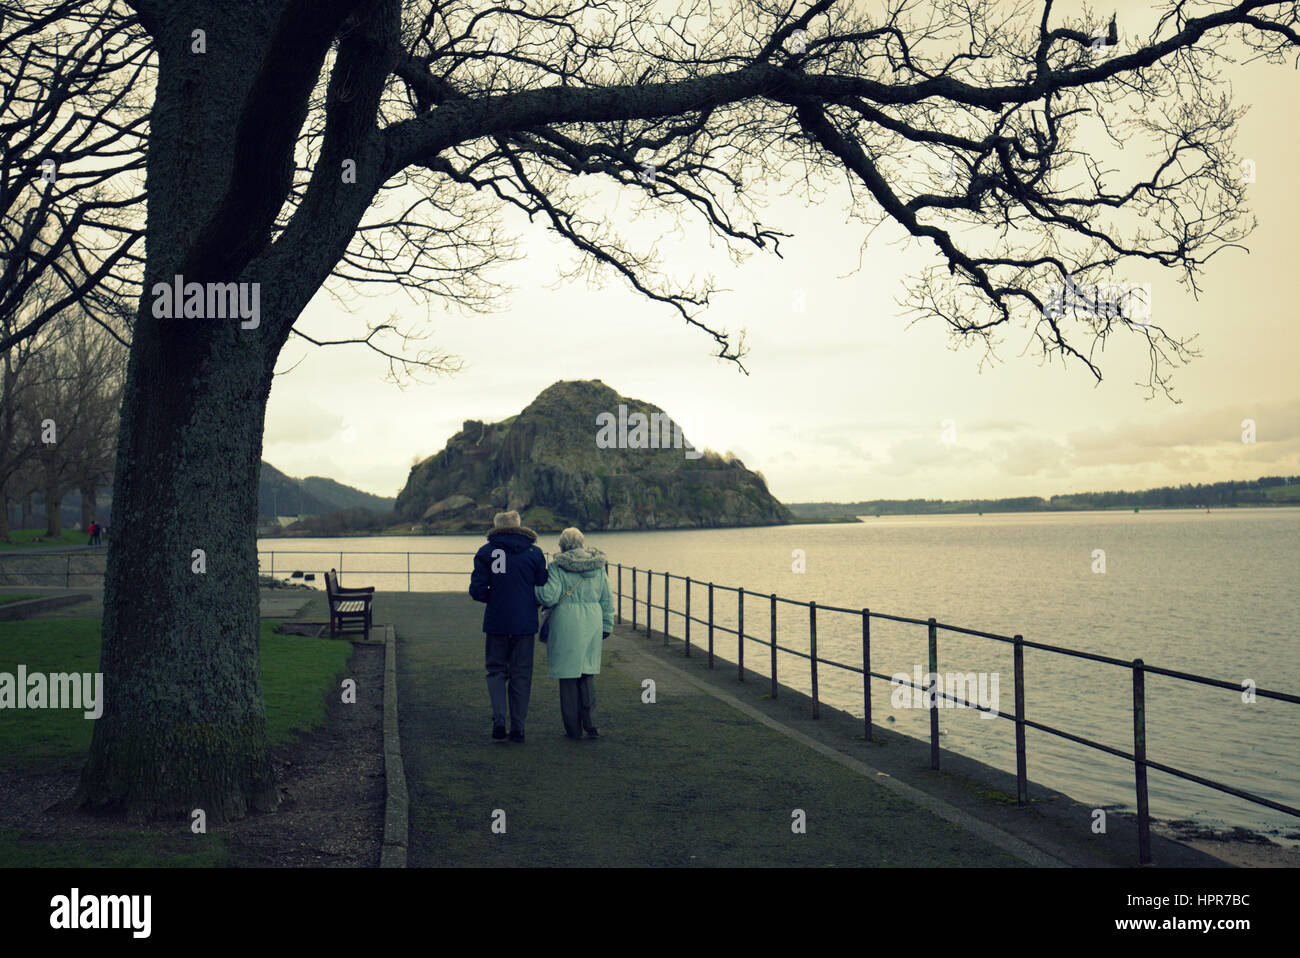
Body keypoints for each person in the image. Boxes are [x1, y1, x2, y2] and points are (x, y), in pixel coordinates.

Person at [468, 510, 548, 743]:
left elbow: (477, 590)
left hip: (496, 621)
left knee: (495, 671)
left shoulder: (486, 552)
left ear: (496, 526)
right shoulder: (534, 553)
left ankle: (499, 719)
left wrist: (493, 597)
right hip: (525, 623)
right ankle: (519, 728)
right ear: (520, 526)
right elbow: (542, 587)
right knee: (521, 675)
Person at [535, 527, 613, 739]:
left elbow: (549, 597)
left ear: (562, 545)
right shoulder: (598, 567)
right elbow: (607, 599)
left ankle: (572, 729)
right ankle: (591, 723)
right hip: (593, 620)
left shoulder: (557, 567)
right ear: (582, 543)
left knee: (568, 677)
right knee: (587, 673)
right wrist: (607, 625)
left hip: (567, 623)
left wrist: (534, 588)